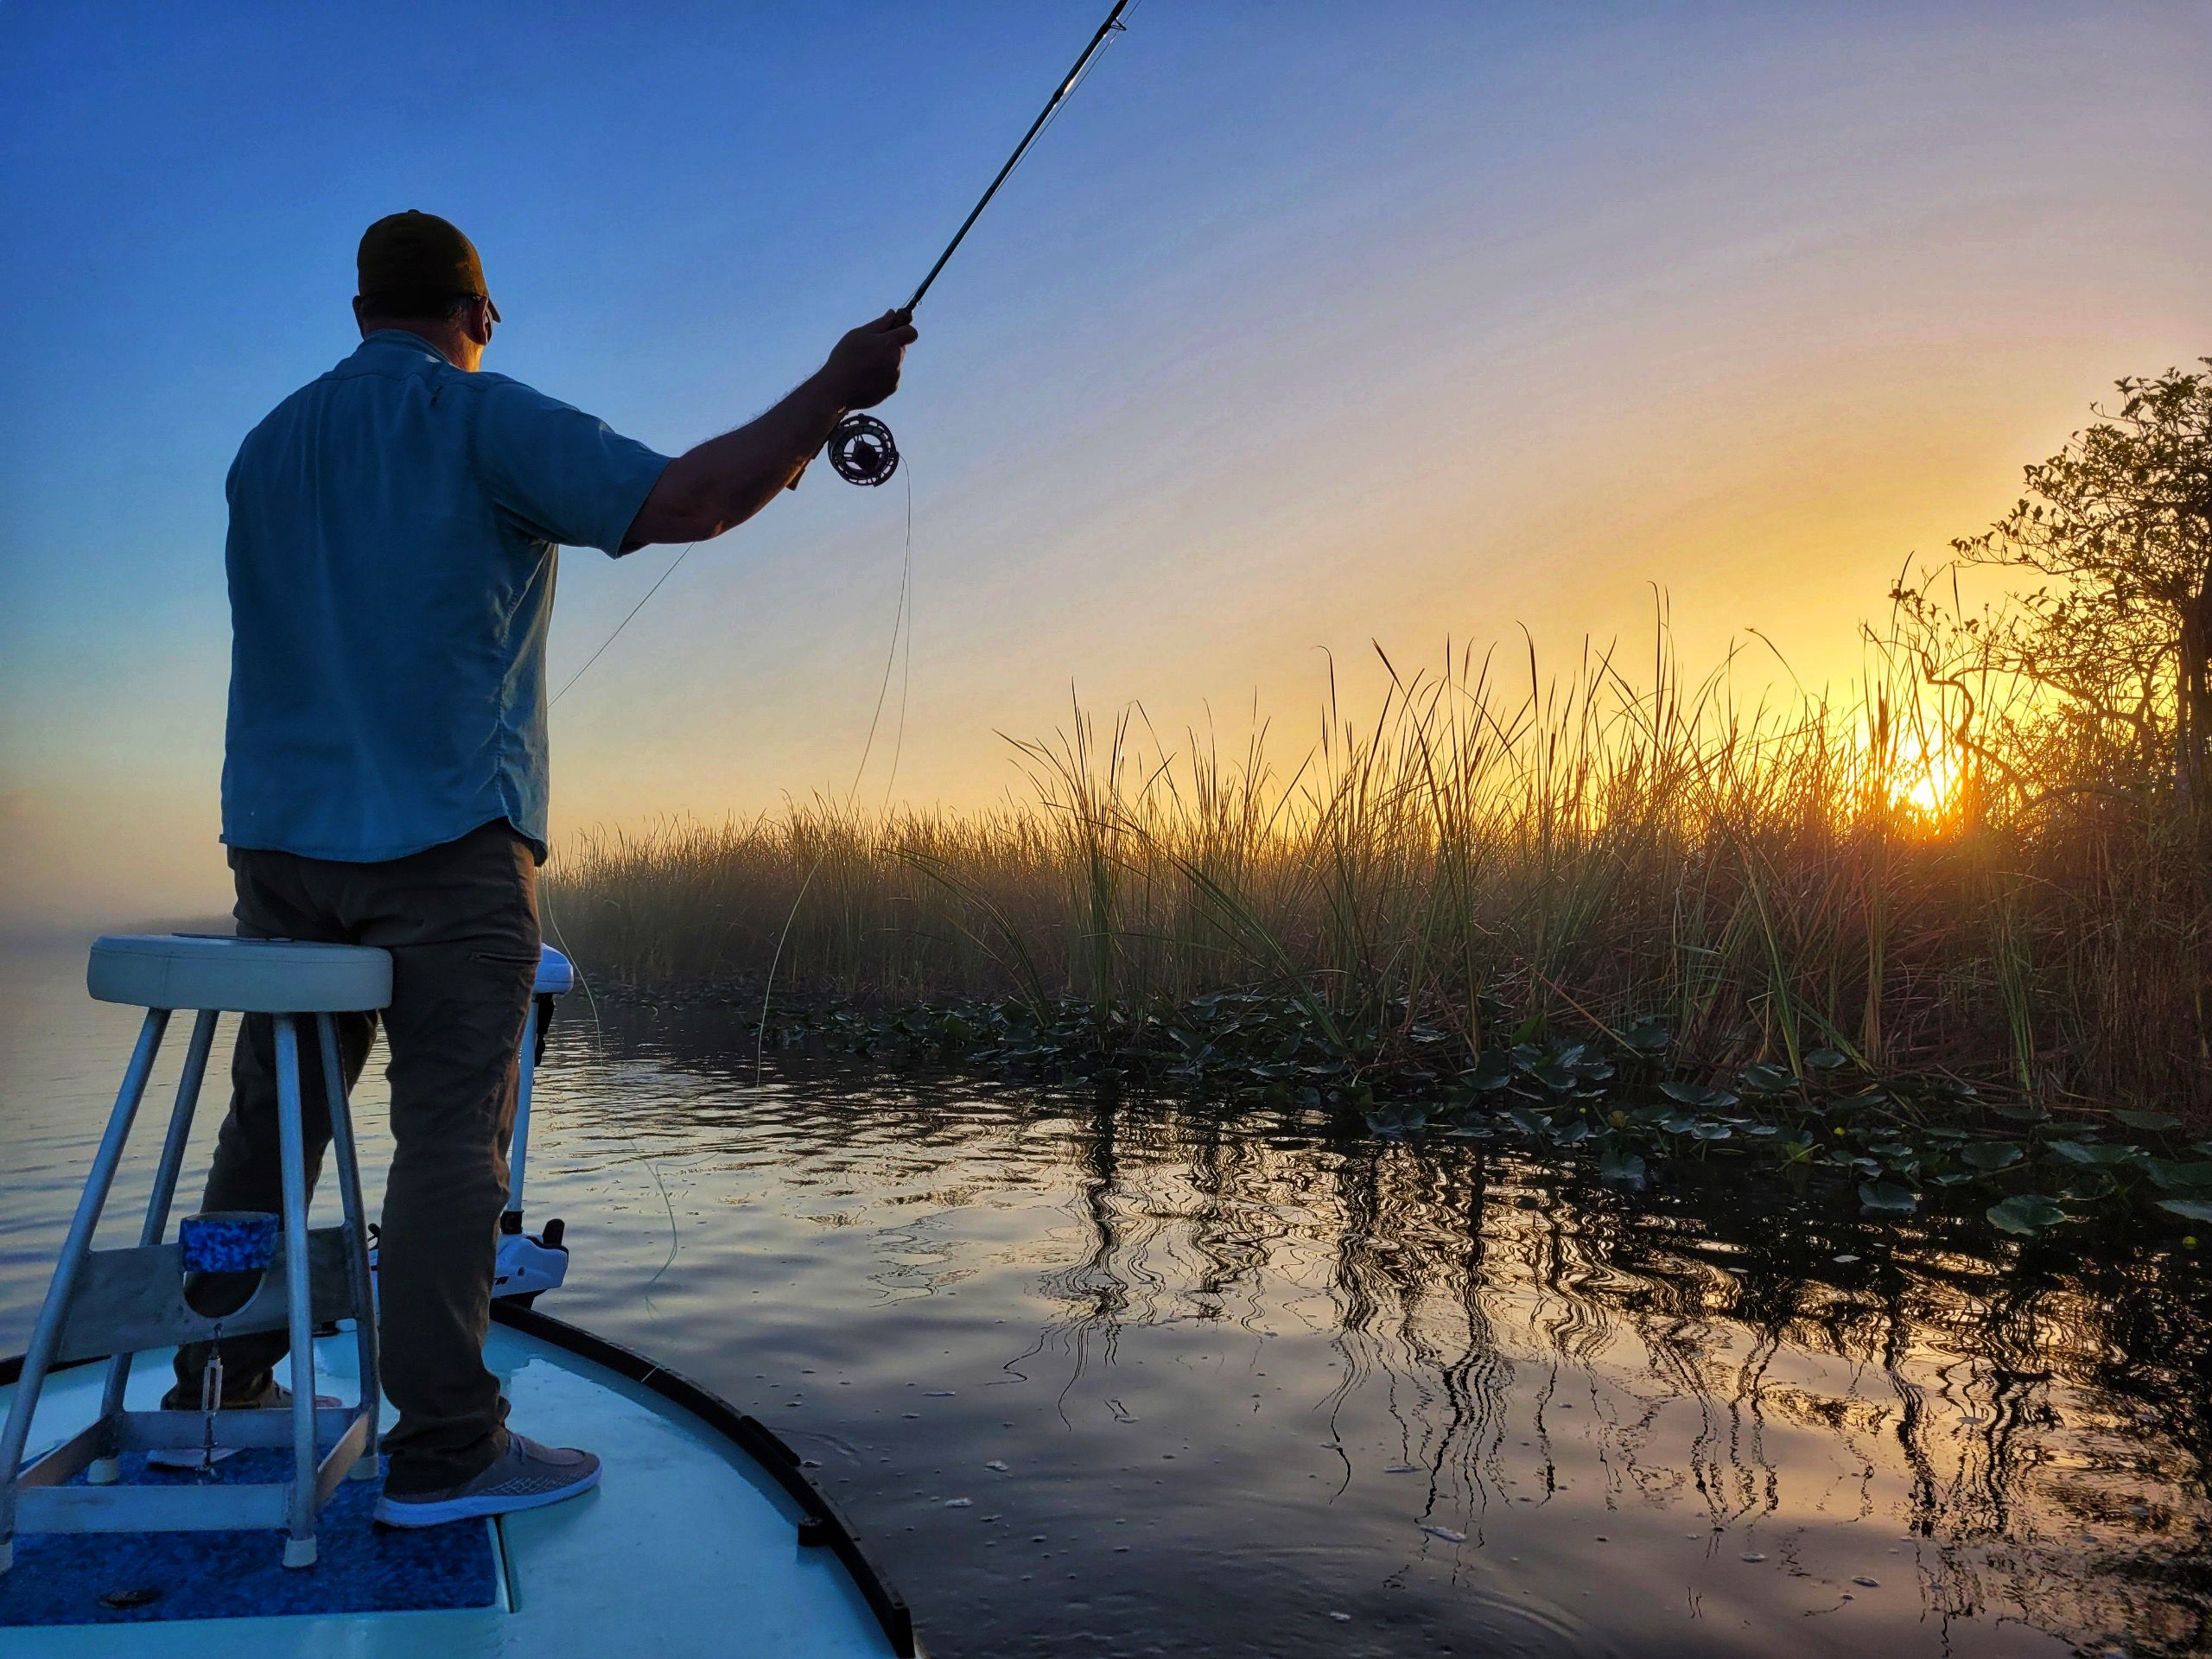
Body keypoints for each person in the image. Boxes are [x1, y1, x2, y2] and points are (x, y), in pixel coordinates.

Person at [160, 210, 916, 1528]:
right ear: (478, 314)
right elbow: (687, 498)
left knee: (271, 1121)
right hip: (448, 846)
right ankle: (448, 1448)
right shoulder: (482, 418)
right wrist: (829, 393)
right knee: (451, 1136)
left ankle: (218, 1396)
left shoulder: (262, 451)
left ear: (358, 312)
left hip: (279, 847)